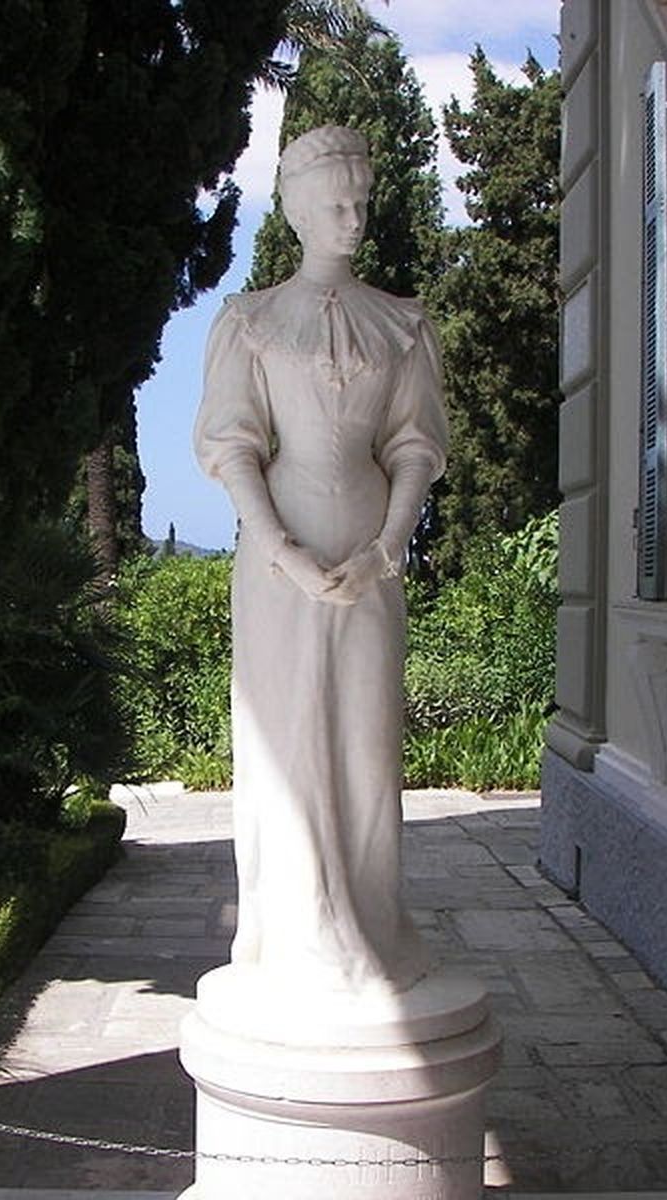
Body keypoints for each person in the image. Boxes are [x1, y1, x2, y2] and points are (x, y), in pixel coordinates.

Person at [194, 125, 448, 995]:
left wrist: (387, 547)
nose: (353, 218)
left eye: (361, 202)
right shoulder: (251, 322)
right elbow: (233, 446)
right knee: (289, 742)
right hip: (279, 570)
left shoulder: (402, 324)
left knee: (366, 746)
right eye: (336, 204)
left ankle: (370, 926)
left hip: (371, 564)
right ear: (297, 212)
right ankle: (295, 937)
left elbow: (414, 446)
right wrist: (281, 551)